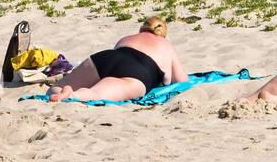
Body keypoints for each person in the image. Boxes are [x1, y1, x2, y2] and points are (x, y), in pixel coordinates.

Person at [48, 17, 186, 102]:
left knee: (55, 88)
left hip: (106, 58)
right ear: (163, 34)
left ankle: (62, 91)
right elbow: (181, 81)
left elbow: (117, 59)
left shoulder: (127, 38)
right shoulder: (166, 45)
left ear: (142, 29)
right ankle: (73, 95)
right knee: (96, 94)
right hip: (139, 71)